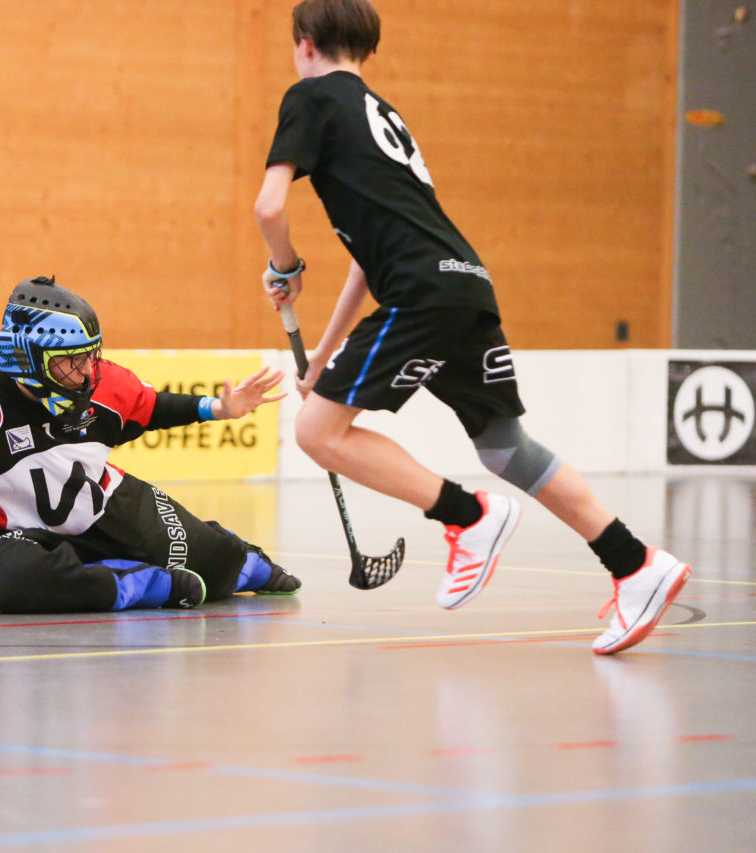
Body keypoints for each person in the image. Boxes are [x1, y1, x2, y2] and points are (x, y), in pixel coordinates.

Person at [252, 0, 689, 654]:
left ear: (305, 43)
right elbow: (367, 265)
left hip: (421, 292)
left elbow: (268, 208)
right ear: (367, 51)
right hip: (462, 281)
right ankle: (635, 563)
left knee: (317, 431)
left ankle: (468, 515)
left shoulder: (309, 97)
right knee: (503, 443)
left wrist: (285, 265)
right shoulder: (383, 117)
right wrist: (323, 359)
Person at [0, 275, 301, 613]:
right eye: (70, 362)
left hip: (99, 508)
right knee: (16, 584)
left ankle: (245, 564)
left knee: (218, 561)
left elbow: (151, 406)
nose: (86, 372)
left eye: (89, 357)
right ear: (27, 359)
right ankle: (143, 586)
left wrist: (218, 409)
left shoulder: (102, 384)